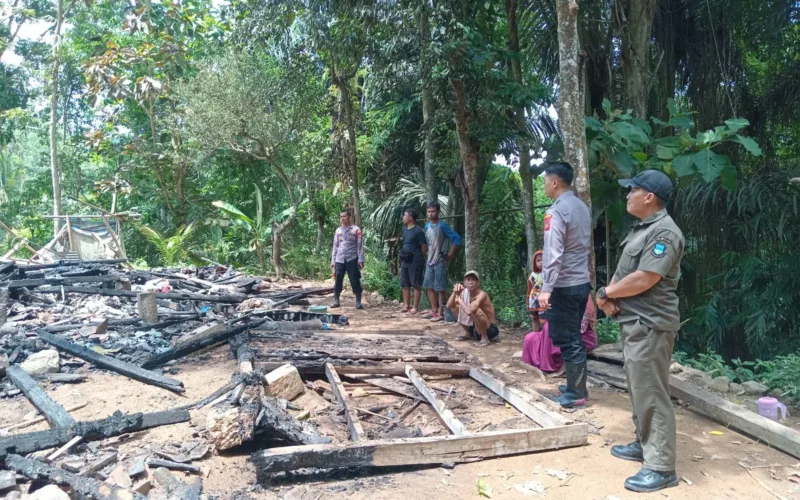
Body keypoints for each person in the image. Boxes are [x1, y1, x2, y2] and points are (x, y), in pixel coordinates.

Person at [596, 169, 685, 493]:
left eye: (631, 190)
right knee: (639, 388)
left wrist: (606, 293)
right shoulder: (644, 229)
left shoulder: (664, 233)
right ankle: (643, 443)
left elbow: (645, 278)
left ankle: (661, 467)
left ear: (649, 196)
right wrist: (609, 297)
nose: (626, 194)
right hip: (636, 322)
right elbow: (629, 277)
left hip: (650, 325)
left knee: (652, 392)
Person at [539, 161, 592, 408]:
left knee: (567, 337)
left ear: (555, 181)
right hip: (582, 282)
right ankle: (575, 386)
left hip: (564, 284)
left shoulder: (557, 211)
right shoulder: (582, 207)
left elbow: (553, 252)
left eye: (545, 181)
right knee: (573, 335)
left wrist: (546, 287)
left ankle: (576, 394)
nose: (544, 186)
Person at [522, 293, 597, 374]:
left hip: (579, 336)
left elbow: (581, 324)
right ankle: (539, 364)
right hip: (555, 332)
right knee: (530, 338)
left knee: (550, 326)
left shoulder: (582, 291)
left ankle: (556, 366)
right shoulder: (555, 290)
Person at [421, 201, 462, 322]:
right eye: (429, 211)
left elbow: (456, 238)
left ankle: (441, 312)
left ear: (438, 212)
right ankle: (434, 311)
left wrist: (450, 254)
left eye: (433, 211)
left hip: (440, 260)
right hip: (430, 260)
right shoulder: (427, 226)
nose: (430, 214)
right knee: (429, 286)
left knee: (440, 288)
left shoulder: (442, 225)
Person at [446, 270, 499, 346]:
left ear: (478, 283)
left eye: (473, 280)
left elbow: (469, 311)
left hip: (490, 330)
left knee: (476, 310)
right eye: (468, 280)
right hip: (475, 328)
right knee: (455, 307)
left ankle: (485, 338)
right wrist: (455, 292)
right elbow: (448, 306)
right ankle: (468, 333)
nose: (470, 282)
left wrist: (459, 300)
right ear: (464, 282)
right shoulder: (465, 292)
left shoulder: (481, 295)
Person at [330, 207, 365, 309]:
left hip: (352, 258)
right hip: (340, 259)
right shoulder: (338, 231)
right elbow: (335, 246)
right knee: (338, 279)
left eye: (344, 216)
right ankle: (336, 299)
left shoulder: (356, 229)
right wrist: (333, 261)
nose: (342, 218)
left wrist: (361, 259)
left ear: (349, 217)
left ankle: (358, 301)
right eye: (341, 217)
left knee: (354, 279)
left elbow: (360, 245)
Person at [399, 208, 428, 314]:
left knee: (415, 283)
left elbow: (424, 247)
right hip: (405, 259)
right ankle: (406, 305)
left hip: (415, 260)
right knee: (404, 282)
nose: (403, 217)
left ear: (410, 217)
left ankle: (415, 307)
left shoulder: (418, 231)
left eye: (405, 215)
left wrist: (419, 256)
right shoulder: (404, 229)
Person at [527, 250, 546, 332]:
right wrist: (527, 298)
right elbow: (529, 287)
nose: (541, 262)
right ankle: (535, 336)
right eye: (538, 261)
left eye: (543, 260)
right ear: (535, 263)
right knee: (535, 319)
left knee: (544, 320)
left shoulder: (548, 273)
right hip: (534, 300)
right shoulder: (533, 274)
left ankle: (544, 339)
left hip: (544, 300)